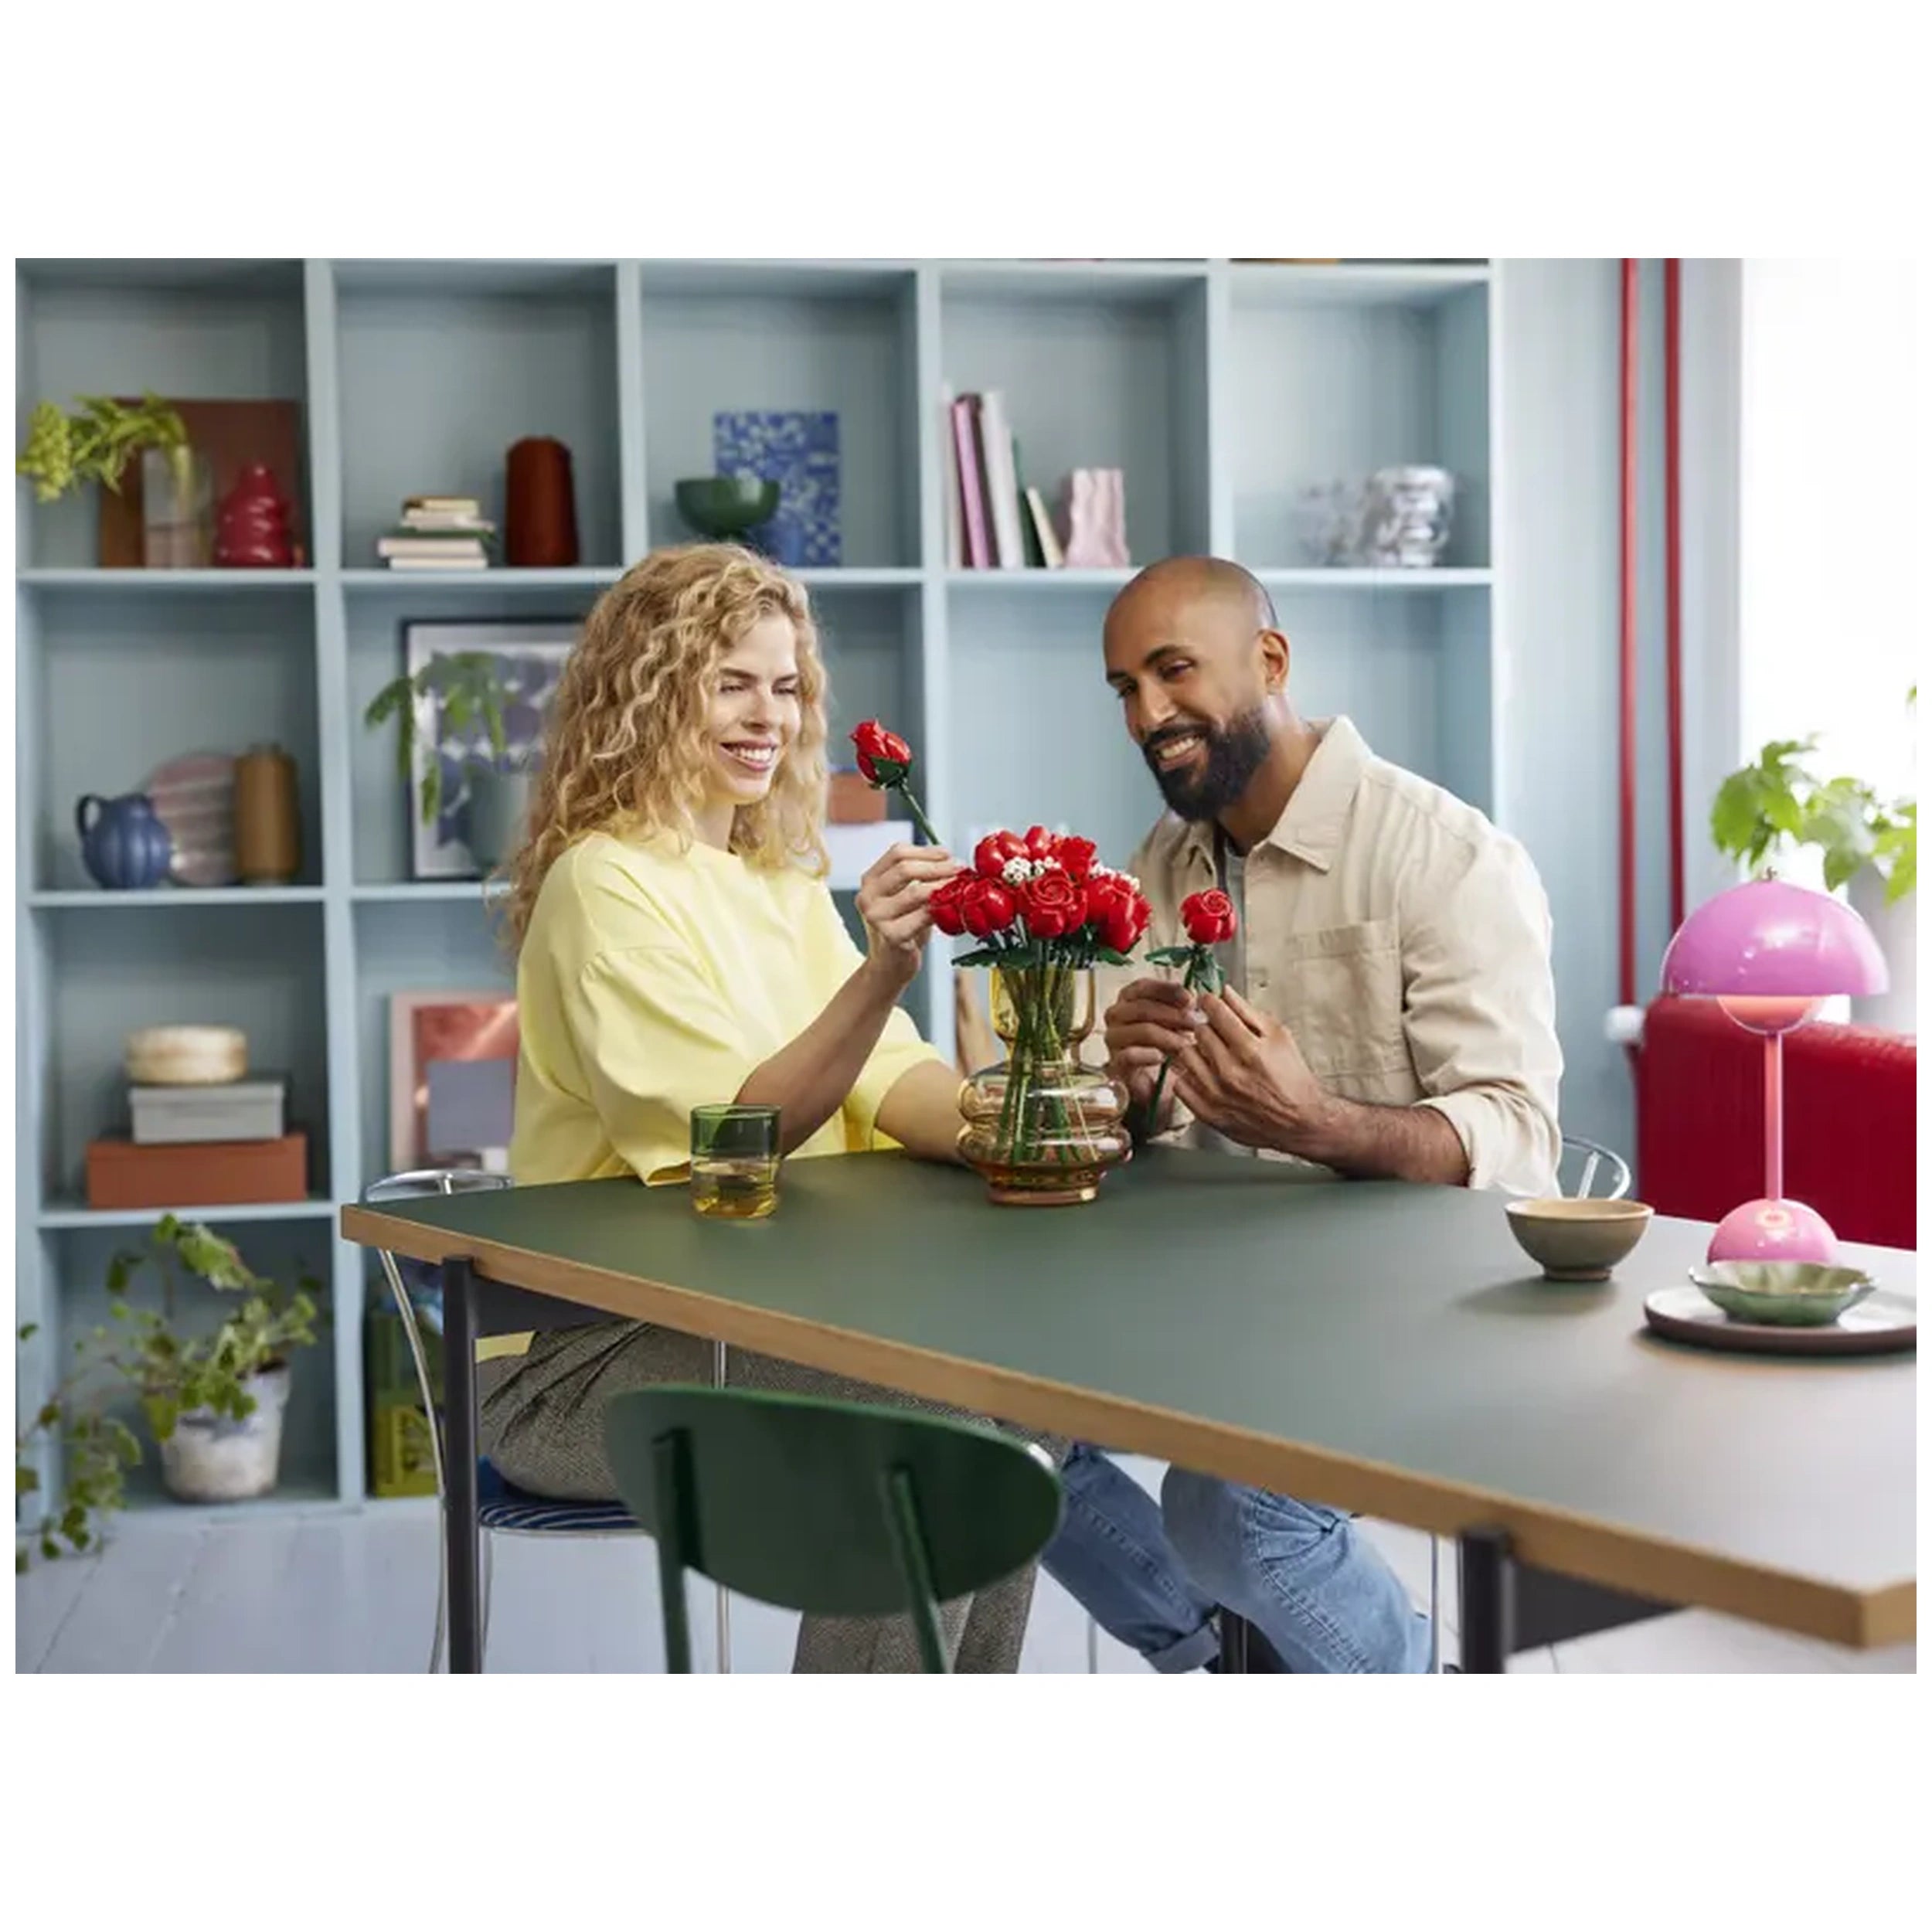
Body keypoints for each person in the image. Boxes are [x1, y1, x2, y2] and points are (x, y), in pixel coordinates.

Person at [480, 543, 1052, 1672]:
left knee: (1022, 1411)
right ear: (648, 691)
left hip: (767, 1320)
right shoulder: (604, 884)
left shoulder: (778, 883)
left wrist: (1038, 1123)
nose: (769, 717)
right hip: (582, 1363)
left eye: (785, 687)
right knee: (928, 1443)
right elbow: (737, 1137)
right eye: (731, 682)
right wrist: (883, 971)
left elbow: (894, 1080)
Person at [1039, 556, 1563, 1672]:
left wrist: (1318, 1121)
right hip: (1210, 1295)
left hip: (1415, 1310)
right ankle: (1228, 1662)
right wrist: (1125, 1090)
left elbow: (1519, 1139)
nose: (1147, 715)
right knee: (984, 1424)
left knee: (1233, 1509)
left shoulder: (1447, 856)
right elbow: (1126, 1117)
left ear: (1270, 662)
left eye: (1174, 671)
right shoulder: (1159, 865)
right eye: (1126, 688)